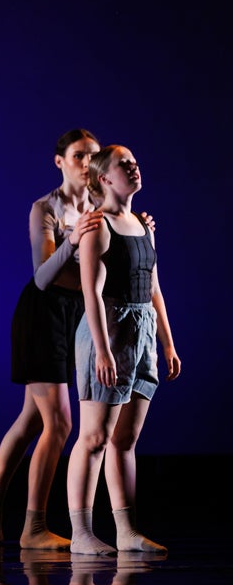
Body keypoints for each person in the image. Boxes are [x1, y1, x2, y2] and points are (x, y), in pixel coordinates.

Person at [0, 129, 104, 549]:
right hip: (42, 314)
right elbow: (43, 276)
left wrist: (137, 226)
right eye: (80, 156)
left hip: (76, 313)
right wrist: (72, 237)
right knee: (60, 422)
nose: (88, 164)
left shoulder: (101, 206)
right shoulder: (45, 208)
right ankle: (33, 529)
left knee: (32, 420)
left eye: (94, 156)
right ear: (60, 161)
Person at [66, 145, 179, 555]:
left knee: (125, 439)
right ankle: (81, 533)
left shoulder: (144, 225)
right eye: (123, 164)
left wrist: (166, 342)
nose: (134, 167)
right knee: (94, 435)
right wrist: (102, 349)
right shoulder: (97, 225)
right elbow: (91, 292)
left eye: (135, 162)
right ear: (104, 179)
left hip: (142, 334)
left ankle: (126, 530)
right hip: (109, 331)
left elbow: (153, 287)